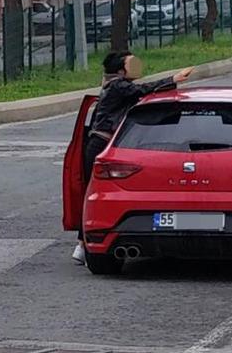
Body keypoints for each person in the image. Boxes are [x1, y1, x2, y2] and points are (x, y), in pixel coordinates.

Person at [72, 52, 194, 264]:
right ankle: (84, 243)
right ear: (120, 70)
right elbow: (142, 89)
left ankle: (85, 243)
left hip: (104, 143)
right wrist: (172, 80)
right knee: (93, 192)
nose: (137, 66)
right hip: (101, 144)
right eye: (132, 64)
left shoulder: (115, 84)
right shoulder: (118, 85)